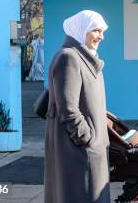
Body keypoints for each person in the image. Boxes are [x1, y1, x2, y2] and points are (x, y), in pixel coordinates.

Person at [44, 10, 110, 203]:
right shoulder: (69, 58)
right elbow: (68, 109)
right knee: (79, 195)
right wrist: (87, 138)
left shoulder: (85, 58)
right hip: (79, 152)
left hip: (88, 149)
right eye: (96, 30)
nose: (101, 36)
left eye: (102, 31)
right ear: (82, 30)